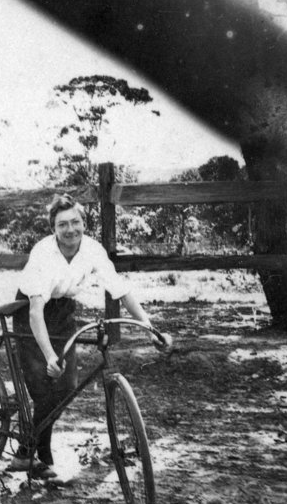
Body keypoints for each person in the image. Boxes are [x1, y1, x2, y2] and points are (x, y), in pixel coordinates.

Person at [9, 194, 169, 480]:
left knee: (66, 385)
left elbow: (120, 290)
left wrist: (150, 328)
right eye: (62, 225)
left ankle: (28, 450)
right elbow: (35, 313)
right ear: (53, 229)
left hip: (62, 314)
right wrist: (48, 356)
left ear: (84, 223)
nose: (70, 229)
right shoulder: (43, 253)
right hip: (31, 314)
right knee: (45, 387)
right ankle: (36, 455)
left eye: (76, 222)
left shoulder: (93, 250)